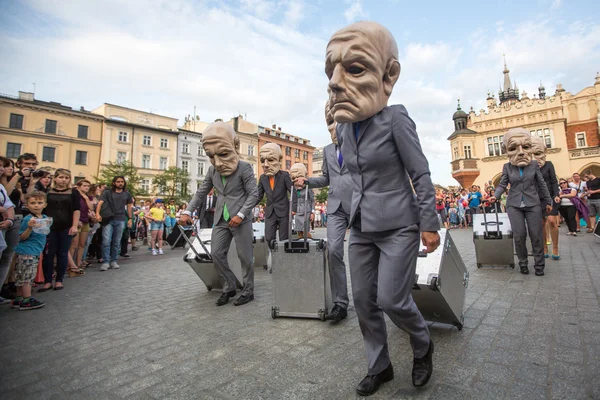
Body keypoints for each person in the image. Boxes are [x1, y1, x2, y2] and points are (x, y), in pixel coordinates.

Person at [326, 21, 439, 395]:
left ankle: (422, 344)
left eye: (354, 68)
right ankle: (380, 366)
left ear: (389, 76)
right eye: (332, 72)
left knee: (391, 299)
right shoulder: (344, 128)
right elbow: (346, 173)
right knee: (362, 301)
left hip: (398, 227)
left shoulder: (395, 119)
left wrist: (429, 224)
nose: (335, 81)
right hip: (360, 227)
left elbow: (420, 172)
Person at [179, 122, 259, 307]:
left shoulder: (245, 168)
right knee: (216, 253)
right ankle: (229, 287)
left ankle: (248, 291)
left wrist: (240, 214)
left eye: (223, 154)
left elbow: (254, 194)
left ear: (235, 147)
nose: (217, 162)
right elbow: (201, 193)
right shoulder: (212, 170)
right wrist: (187, 211)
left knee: (245, 257)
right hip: (221, 219)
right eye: (211, 156)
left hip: (240, 220)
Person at [295, 100, 352, 321]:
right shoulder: (328, 150)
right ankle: (340, 303)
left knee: (361, 254)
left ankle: (372, 296)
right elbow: (327, 178)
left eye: (336, 124)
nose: (333, 130)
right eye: (329, 125)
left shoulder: (358, 143)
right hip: (335, 207)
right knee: (334, 251)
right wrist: (306, 181)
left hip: (359, 205)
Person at [489, 128, 552, 277]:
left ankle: (539, 265)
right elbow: (503, 184)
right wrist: (495, 196)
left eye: (525, 147)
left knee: (536, 235)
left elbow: (542, 184)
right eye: (514, 148)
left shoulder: (534, 165)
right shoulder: (507, 167)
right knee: (519, 235)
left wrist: (548, 200)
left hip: (533, 203)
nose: (521, 152)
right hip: (514, 204)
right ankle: (523, 263)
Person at [39, 169, 81, 291]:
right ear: (55, 178)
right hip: (49, 227)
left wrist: (74, 226)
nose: (64, 180)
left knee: (62, 253)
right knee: (48, 253)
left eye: (67, 178)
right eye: (61, 177)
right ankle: (47, 281)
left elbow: (76, 209)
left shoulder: (73, 192)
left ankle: (59, 280)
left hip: (66, 226)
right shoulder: (47, 191)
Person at [11, 191, 49, 310]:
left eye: (39, 202)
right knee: (26, 277)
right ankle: (26, 300)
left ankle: (18, 299)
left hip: (36, 250)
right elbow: (22, 237)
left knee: (22, 275)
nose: (36, 205)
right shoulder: (28, 219)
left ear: (45, 204)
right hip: (27, 251)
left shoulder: (43, 218)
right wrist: (29, 227)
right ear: (27, 205)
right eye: (33, 203)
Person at [256, 143, 293, 245]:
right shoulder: (262, 178)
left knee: (283, 240)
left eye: (271, 160)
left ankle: (282, 259)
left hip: (284, 212)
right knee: (268, 238)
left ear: (279, 160)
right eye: (263, 161)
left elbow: (293, 192)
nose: (266, 165)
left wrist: (293, 209)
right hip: (270, 212)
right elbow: (259, 195)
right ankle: (272, 257)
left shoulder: (285, 175)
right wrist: (246, 206)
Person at [530, 136, 561, 259]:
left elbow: (554, 181)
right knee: (541, 224)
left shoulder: (548, 165)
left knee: (552, 221)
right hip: (537, 198)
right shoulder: (531, 166)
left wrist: (556, 195)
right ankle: (544, 247)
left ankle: (555, 247)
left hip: (550, 197)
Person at [96, 176, 133, 271]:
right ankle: (105, 261)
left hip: (120, 219)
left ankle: (114, 260)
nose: (120, 183)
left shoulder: (127, 194)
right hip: (108, 218)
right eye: (118, 182)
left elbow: (129, 206)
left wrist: (130, 218)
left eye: (122, 182)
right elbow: (100, 203)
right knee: (106, 241)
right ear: (114, 183)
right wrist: (97, 214)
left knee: (116, 241)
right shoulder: (107, 192)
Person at [289, 163, 314, 239]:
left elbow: (312, 200)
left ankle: (308, 241)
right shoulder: (294, 187)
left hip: (306, 210)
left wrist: (312, 212)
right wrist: (292, 210)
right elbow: (293, 199)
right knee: (299, 229)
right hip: (298, 211)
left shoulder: (308, 187)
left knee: (305, 229)